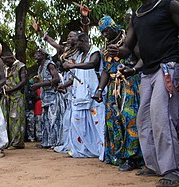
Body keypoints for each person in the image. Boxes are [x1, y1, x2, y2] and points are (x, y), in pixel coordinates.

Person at [107, 0, 179, 186]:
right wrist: (117, 51)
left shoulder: (168, 4)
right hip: (147, 71)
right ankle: (154, 164)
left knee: (161, 116)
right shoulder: (137, 14)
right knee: (143, 119)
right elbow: (127, 48)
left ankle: (173, 169)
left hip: (167, 67)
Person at [94, 16, 143, 171]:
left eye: (107, 30)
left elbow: (141, 58)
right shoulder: (106, 47)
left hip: (129, 83)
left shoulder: (129, 41)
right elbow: (105, 71)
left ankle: (132, 157)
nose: (104, 34)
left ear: (114, 27)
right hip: (113, 88)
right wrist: (100, 90)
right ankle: (116, 155)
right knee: (112, 120)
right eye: (102, 32)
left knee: (129, 119)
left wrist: (131, 70)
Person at [62, 33, 105, 160]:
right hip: (80, 96)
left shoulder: (95, 51)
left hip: (94, 94)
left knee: (97, 124)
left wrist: (72, 65)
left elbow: (92, 64)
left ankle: (100, 150)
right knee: (78, 123)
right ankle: (82, 150)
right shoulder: (80, 56)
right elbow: (76, 75)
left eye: (76, 44)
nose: (74, 47)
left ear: (82, 41)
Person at [32, 48, 61, 148]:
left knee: (53, 119)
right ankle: (46, 142)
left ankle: (54, 143)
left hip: (52, 95)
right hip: (45, 97)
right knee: (45, 120)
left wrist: (39, 84)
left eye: (38, 53)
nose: (36, 54)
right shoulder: (40, 68)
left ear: (44, 55)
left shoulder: (50, 64)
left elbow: (56, 79)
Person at [0, 53, 27, 149]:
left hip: (17, 96)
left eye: (7, 61)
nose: (5, 63)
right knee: (4, 118)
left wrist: (12, 90)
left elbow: (23, 81)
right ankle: (7, 141)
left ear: (12, 58)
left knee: (15, 119)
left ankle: (17, 143)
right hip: (6, 96)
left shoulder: (21, 66)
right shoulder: (6, 67)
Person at [33, 76, 42, 142]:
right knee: (38, 123)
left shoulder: (42, 88)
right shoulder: (35, 89)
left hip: (42, 107)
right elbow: (34, 97)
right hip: (37, 107)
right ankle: (38, 137)